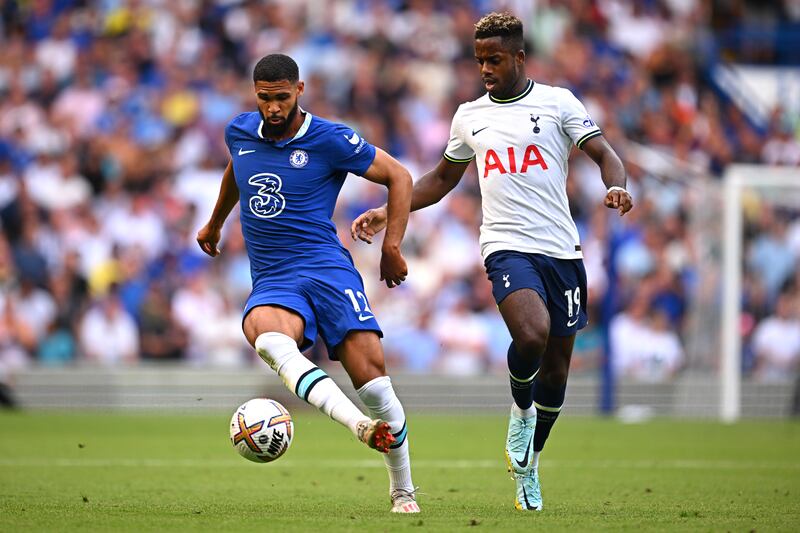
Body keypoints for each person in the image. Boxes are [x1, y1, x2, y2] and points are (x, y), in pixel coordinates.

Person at [352, 12, 633, 511]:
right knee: (531, 335)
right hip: (505, 245)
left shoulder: (557, 102)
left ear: (520, 57)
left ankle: (530, 463)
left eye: (495, 59)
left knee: (558, 374)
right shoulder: (470, 115)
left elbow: (606, 153)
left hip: (562, 250)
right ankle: (519, 410)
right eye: (479, 59)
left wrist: (616, 186)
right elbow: (441, 180)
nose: (484, 68)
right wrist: (387, 209)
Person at [196, 54, 419, 513]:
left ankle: (403, 490)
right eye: (264, 98)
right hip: (275, 276)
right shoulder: (239, 131)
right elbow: (236, 172)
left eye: (281, 98)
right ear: (254, 93)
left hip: (327, 270)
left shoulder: (331, 139)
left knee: (375, 385)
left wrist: (392, 246)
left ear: (299, 90)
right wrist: (215, 222)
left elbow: (399, 176)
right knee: (268, 339)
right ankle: (358, 426)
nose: (273, 108)